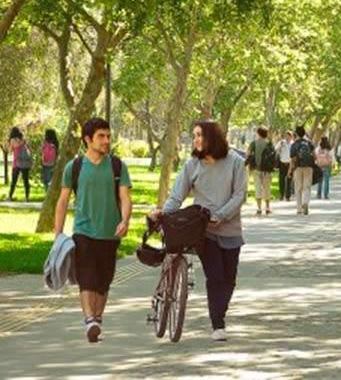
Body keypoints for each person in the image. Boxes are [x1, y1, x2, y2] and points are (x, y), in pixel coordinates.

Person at [150, 120, 246, 341]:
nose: (196, 140)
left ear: (213, 137)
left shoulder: (236, 163)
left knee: (229, 279)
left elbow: (240, 195)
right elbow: (177, 196)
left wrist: (220, 215)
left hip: (230, 229)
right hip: (203, 230)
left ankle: (220, 315)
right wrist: (164, 214)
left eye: (200, 135)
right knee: (215, 276)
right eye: (194, 136)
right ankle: (217, 324)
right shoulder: (192, 165)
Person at [54, 118, 133, 342]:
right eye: (101, 136)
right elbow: (62, 201)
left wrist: (125, 220)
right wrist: (58, 234)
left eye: (108, 136)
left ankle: (97, 319)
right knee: (87, 276)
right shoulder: (74, 167)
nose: (107, 140)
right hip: (83, 231)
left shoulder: (118, 166)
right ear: (88, 139)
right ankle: (89, 319)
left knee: (103, 280)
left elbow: (125, 197)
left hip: (110, 233)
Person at [288, 126, 315, 215]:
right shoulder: (309, 143)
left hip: (297, 168)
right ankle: (305, 203)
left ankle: (299, 209)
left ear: (296, 134)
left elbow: (292, 159)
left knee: (298, 188)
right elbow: (314, 156)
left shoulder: (294, 144)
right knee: (307, 186)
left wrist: (290, 171)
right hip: (308, 167)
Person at [246, 127, 273, 215]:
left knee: (258, 188)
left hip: (256, 169)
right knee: (267, 188)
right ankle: (268, 207)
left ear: (258, 133)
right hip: (267, 170)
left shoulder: (253, 143)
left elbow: (248, 154)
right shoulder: (269, 143)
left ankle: (259, 208)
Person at [6, 127, 33, 201]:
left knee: (14, 181)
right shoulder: (24, 140)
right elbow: (31, 150)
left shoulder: (12, 140)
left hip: (16, 163)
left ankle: (9, 197)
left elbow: (10, 152)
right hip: (25, 163)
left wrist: (9, 146)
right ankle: (27, 198)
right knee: (26, 181)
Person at [276, 131, 293, 201]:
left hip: (290, 163)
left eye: (288, 136)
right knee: (281, 180)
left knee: (289, 180)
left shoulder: (293, 144)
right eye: (286, 136)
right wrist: (280, 147)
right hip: (282, 163)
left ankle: (288, 196)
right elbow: (276, 150)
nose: (287, 137)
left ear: (291, 137)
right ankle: (281, 195)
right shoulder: (281, 142)